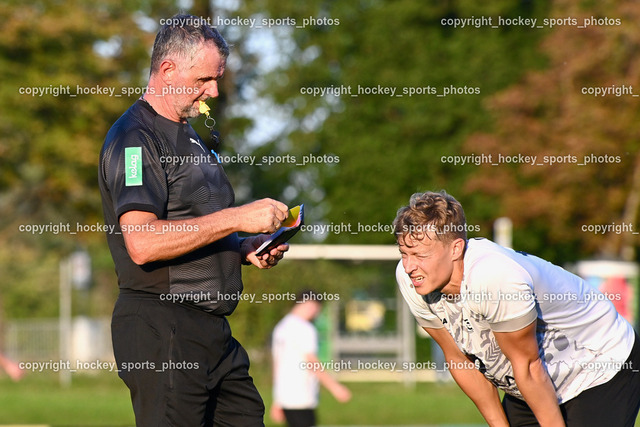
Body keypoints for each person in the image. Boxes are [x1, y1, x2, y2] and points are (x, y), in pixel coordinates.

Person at [99, 14, 291, 426]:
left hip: (212, 334)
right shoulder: (135, 139)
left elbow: (194, 228)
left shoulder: (188, 135)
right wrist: (236, 218)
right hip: (162, 328)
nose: (214, 91)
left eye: (217, 79)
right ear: (168, 70)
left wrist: (240, 247)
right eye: (204, 79)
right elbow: (142, 242)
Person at [393, 190, 640, 427]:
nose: (409, 266)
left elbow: (529, 368)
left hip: (600, 364)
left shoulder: (494, 277)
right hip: (533, 380)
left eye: (420, 255)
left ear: (456, 248)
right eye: (404, 253)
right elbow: (460, 360)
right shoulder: (411, 279)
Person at [270, 290, 351, 427]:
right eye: (317, 308)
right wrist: (335, 387)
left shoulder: (281, 327)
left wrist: (277, 399)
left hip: (285, 396)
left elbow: (277, 364)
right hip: (301, 395)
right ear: (309, 304)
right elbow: (312, 362)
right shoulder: (305, 328)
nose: (317, 313)